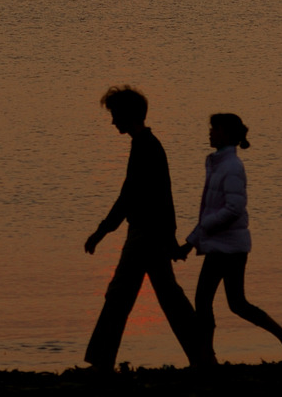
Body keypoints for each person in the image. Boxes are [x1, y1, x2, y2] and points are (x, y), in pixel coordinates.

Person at [84, 86, 204, 371]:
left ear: (127, 115)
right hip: (150, 234)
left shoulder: (146, 148)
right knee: (168, 297)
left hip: (145, 236)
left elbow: (131, 197)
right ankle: (202, 354)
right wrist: (170, 239)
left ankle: (102, 361)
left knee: (120, 295)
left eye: (115, 115)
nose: (113, 122)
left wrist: (101, 232)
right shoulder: (145, 145)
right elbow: (159, 197)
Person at [180, 113, 282, 365]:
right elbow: (211, 211)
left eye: (214, 129)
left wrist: (197, 235)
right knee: (236, 303)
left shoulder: (231, 167)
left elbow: (234, 209)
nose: (210, 133)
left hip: (228, 248)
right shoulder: (218, 164)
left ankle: (206, 357)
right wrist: (191, 242)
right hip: (224, 246)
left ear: (226, 134)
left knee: (207, 300)